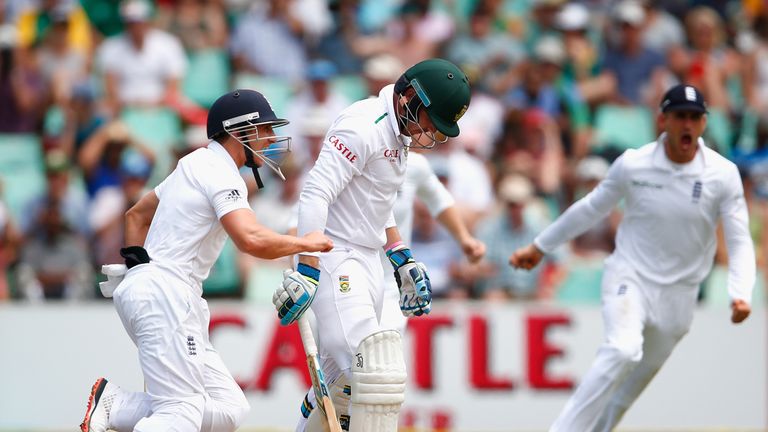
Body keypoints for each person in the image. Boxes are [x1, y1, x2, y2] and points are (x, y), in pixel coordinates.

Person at [79, 89, 333, 432]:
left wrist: (139, 271)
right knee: (180, 412)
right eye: (265, 130)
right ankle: (122, 406)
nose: (272, 138)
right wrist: (305, 244)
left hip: (163, 293)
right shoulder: (220, 172)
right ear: (239, 131)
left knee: (228, 408)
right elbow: (250, 239)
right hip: (166, 294)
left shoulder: (195, 162)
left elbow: (136, 216)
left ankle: (119, 405)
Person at [509, 84, 755, 432]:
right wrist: (540, 246)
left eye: (694, 118)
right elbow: (591, 208)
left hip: (680, 296)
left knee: (628, 391)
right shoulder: (634, 164)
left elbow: (739, 239)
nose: (687, 125)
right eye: (680, 116)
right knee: (623, 350)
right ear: (663, 120)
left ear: (704, 123)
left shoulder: (722, 174)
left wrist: (740, 291)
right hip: (631, 277)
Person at [272, 58, 471, 432]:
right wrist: (308, 269)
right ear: (410, 96)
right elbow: (315, 193)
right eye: (431, 119)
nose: (430, 130)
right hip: (335, 256)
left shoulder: (399, 133)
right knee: (374, 371)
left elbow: (379, 204)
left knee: (338, 385)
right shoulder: (362, 126)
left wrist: (401, 258)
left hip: (366, 263)